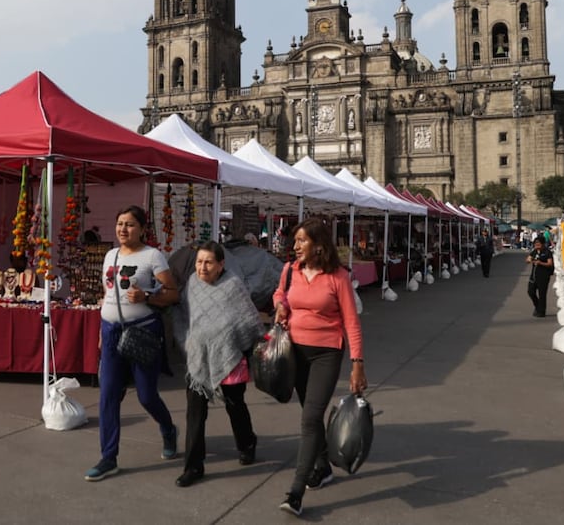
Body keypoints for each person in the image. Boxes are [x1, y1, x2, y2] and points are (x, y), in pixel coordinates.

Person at [273, 218, 367, 517]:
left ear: (319, 245)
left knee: (310, 417)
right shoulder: (290, 270)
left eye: (302, 240)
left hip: (326, 354)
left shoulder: (338, 277)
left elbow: (351, 322)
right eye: (295, 240)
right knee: (311, 417)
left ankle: (296, 492)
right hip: (295, 353)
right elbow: (280, 293)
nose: (296, 246)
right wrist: (280, 305)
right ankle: (323, 466)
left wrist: (357, 364)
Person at [85, 205, 180, 482]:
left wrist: (147, 298)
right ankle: (108, 457)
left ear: (142, 228)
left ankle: (168, 429)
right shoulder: (110, 255)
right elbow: (109, 293)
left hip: (142, 333)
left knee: (146, 395)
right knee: (108, 395)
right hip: (110, 331)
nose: (123, 229)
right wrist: (103, 333)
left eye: (129, 224)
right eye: (120, 224)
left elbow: (172, 294)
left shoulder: (153, 256)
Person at [170, 241, 264, 488]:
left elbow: (249, 321)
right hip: (198, 358)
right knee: (195, 414)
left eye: (209, 262)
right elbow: (183, 316)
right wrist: (188, 342)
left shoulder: (233, 285)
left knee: (235, 405)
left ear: (221, 264)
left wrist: (233, 340)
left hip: (229, 355)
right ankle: (193, 466)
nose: (202, 267)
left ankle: (247, 443)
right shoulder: (192, 284)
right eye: (199, 262)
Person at [526, 236, 554, 317]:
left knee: (542, 294)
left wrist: (540, 263)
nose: (536, 245)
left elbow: (550, 263)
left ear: (543, 244)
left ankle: (541, 311)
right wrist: (529, 260)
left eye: (538, 244)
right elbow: (528, 259)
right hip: (534, 275)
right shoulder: (534, 251)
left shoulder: (547, 252)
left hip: (543, 276)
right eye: (535, 244)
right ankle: (537, 306)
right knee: (530, 291)